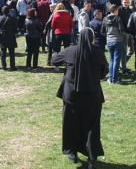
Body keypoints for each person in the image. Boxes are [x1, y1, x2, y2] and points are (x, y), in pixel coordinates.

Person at [51, 28, 108, 167]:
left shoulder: (70, 51)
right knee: (91, 126)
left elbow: (54, 60)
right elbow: (104, 72)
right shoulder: (98, 53)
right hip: (92, 95)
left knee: (71, 123)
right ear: (92, 38)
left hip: (72, 95)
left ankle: (72, 151)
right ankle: (91, 156)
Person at [101, 5, 125, 84]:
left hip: (109, 40)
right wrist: (121, 36)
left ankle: (111, 78)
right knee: (116, 60)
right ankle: (115, 79)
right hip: (118, 40)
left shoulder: (105, 19)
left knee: (111, 59)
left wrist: (108, 35)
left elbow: (102, 31)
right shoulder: (118, 18)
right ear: (115, 11)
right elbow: (121, 29)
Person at [0, 6, 18, 71]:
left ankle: (4, 65)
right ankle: (12, 66)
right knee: (11, 52)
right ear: (8, 11)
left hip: (2, 36)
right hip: (10, 36)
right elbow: (15, 29)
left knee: (3, 51)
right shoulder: (12, 19)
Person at [118, 0, 134, 74]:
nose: (126, 4)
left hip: (130, 32)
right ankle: (123, 68)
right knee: (124, 51)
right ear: (122, 2)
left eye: (127, 2)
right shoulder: (119, 10)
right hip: (123, 32)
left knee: (131, 50)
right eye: (125, 2)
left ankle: (122, 65)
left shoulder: (130, 10)